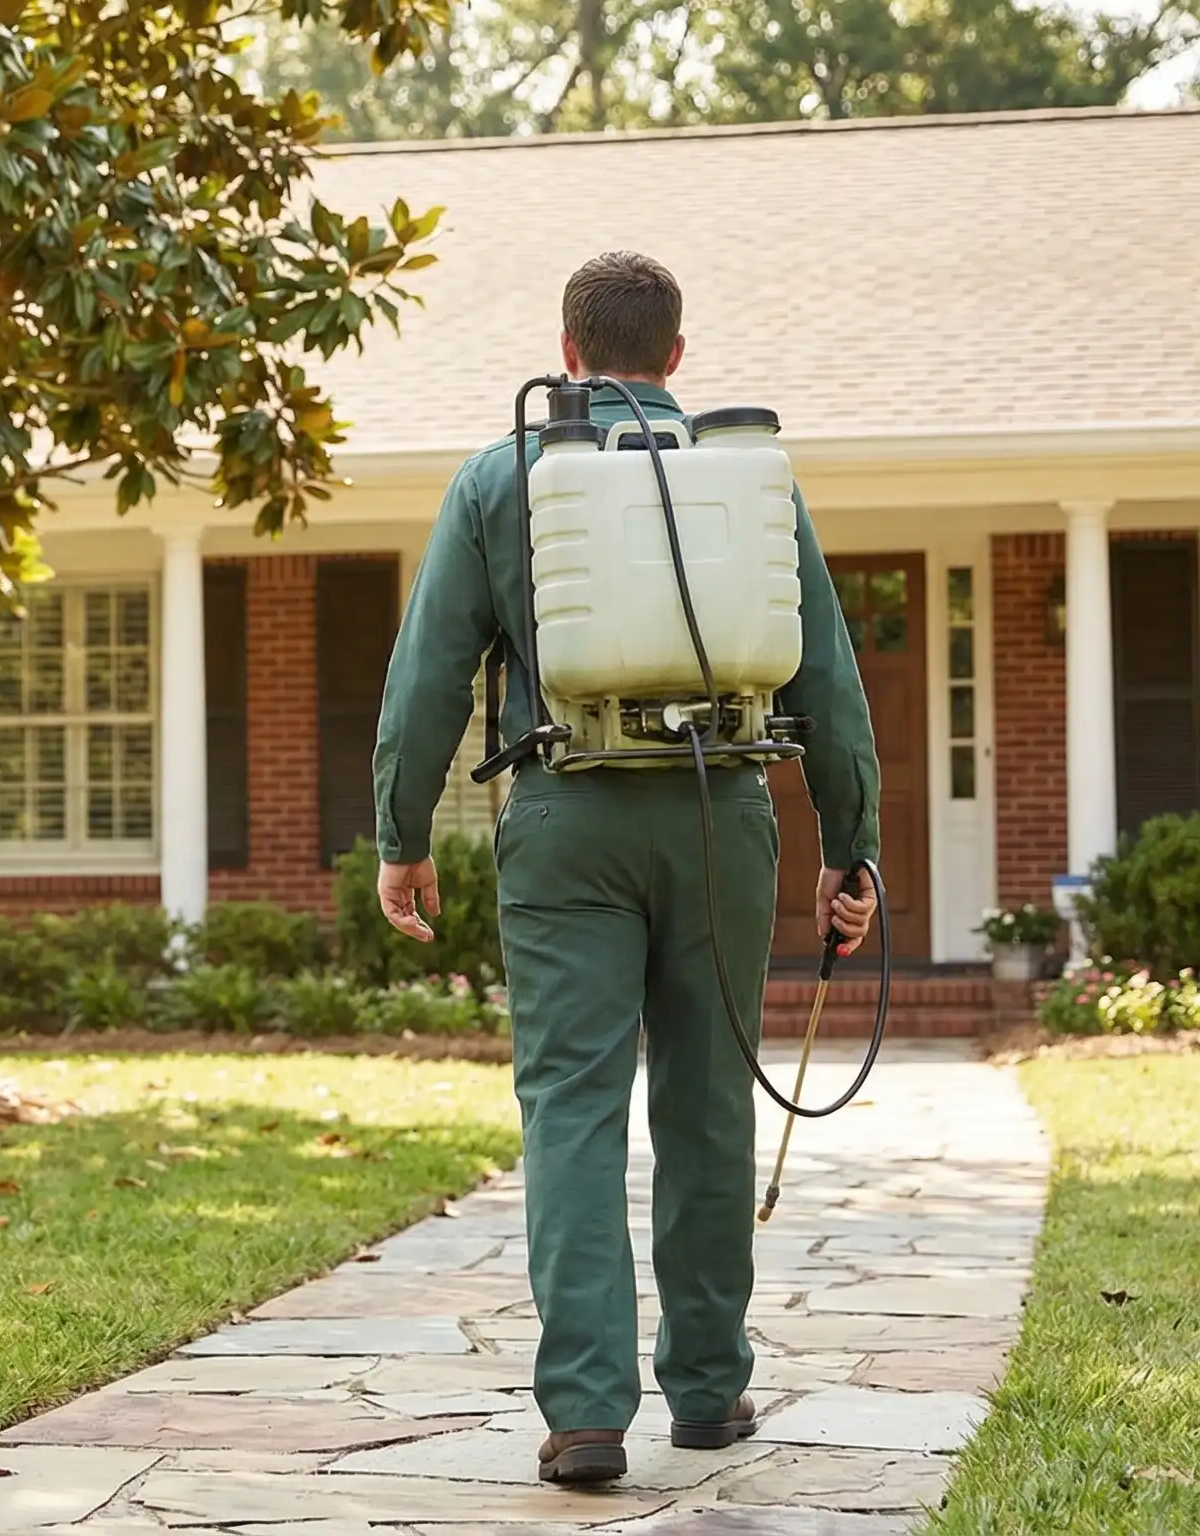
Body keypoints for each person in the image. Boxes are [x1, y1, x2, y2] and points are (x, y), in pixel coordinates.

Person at [369, 251, 880, 1486]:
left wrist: (401, 835)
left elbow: (430, 670)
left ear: (567, 349)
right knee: (708, 1102)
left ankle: (586, 1416)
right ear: (677, 360)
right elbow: (825, 677)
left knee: (571, 1109)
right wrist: (849, 848)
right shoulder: (748, 476)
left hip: (565, 818)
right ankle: (707, 1394)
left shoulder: (508, 475)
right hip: (723, 823)